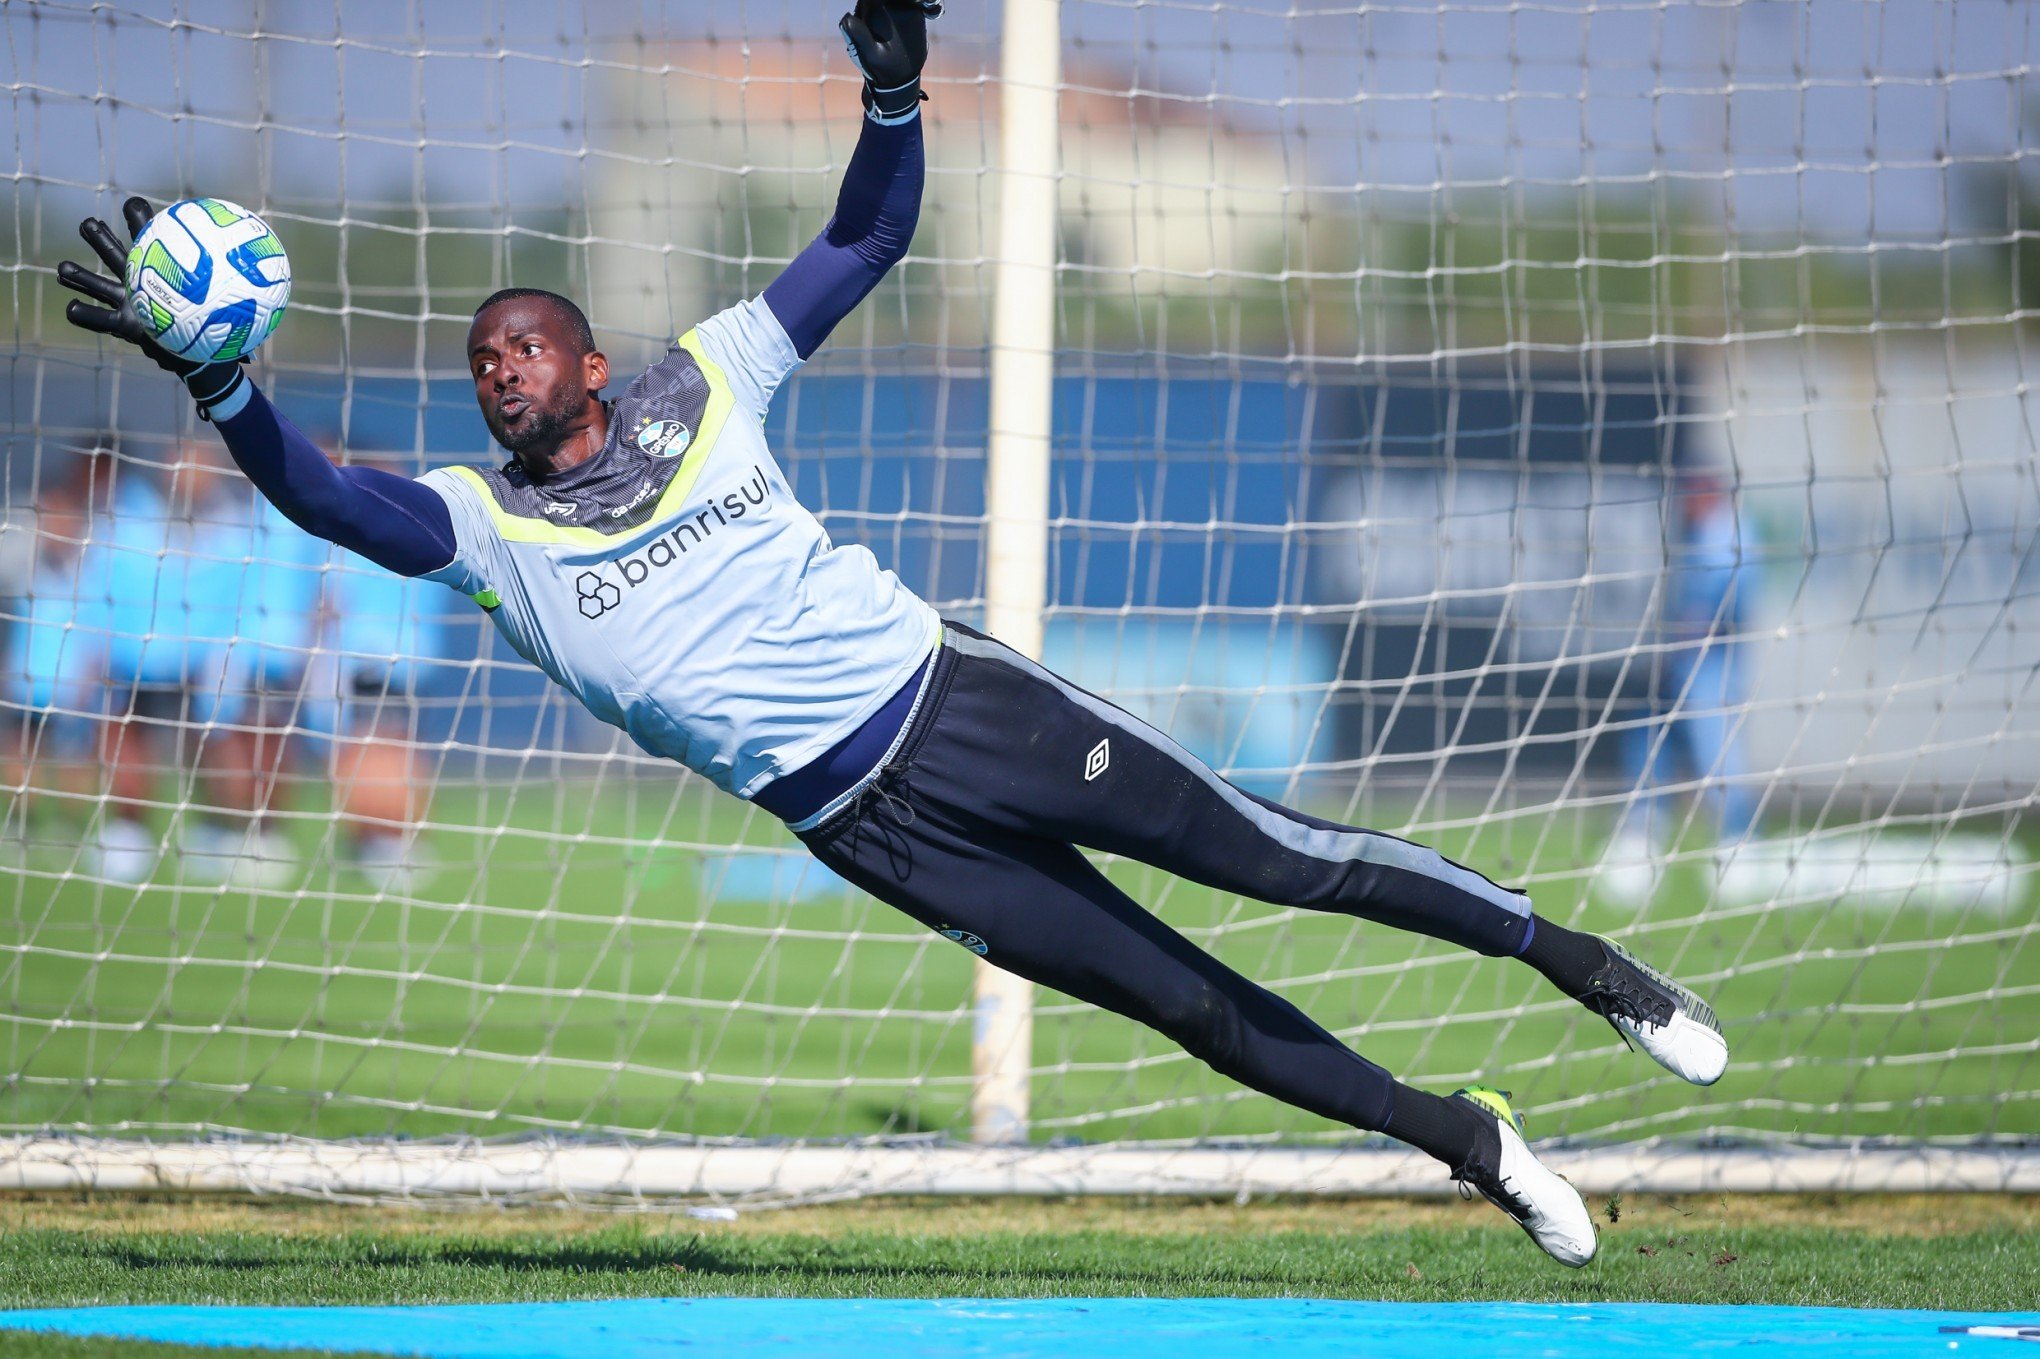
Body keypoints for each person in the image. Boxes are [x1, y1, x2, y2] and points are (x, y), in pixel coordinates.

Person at [55, 0, 1726, 1267]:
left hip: (959, 705)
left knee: (1279, 860)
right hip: (873, 830)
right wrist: (223, 386)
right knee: (1186, 1007)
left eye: (525, 342)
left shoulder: (706, 382)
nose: (496, 364)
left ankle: (1587, 967)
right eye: (480, 357)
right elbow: (322, 498)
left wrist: (896, 93)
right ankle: (1470, 1143)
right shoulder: (478, 530)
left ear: (587, 358)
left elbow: (865, 234)